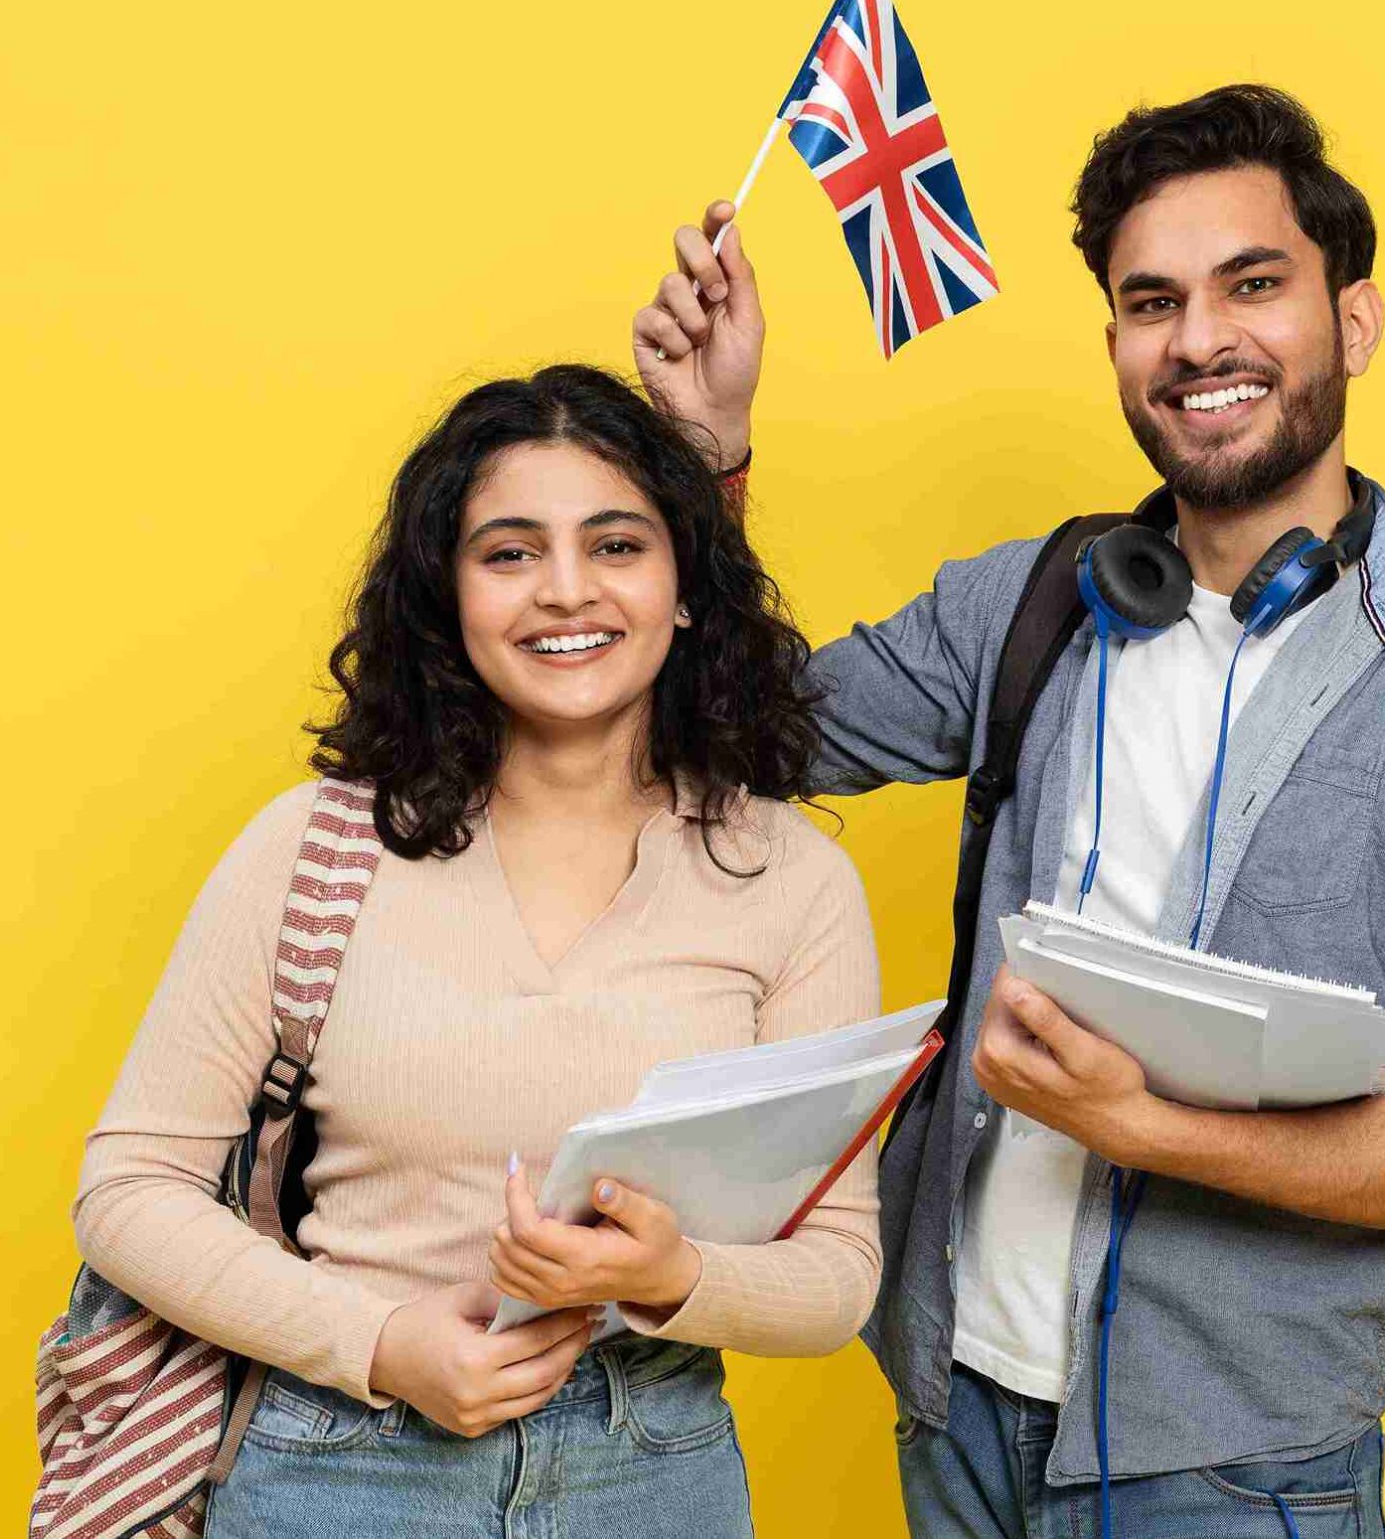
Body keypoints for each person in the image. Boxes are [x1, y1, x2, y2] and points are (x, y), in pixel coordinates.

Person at [635, 84, 1385, 1537]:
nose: (1199, 339)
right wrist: (707, 451)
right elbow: (733, 737)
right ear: (1116, 351)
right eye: (1154, 302)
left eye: (1252, 285)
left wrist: (1144, 1126)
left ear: (1353, 321)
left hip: (1236, 1468)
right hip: (954, 1405)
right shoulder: (1028, 604)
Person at [72, 365, 883, 1538]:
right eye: (509, 553)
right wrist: (381, 1344)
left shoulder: (791, 880)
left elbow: (840, 1275)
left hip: (653, 1474)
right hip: (339, 1470)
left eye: (616, 545)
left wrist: (669, 1278)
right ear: (445, 596)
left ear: (684, 590)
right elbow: (128, 1190)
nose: (566, 590)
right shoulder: (313, 848)